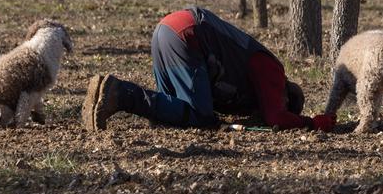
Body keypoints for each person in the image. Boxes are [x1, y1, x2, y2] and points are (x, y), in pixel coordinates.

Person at [82, 7, 335, 132]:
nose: (273, 103)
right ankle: (119, 93)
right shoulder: (272, 71)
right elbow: (275, 118)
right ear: (286, 94)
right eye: (281, 101)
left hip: (167, 30)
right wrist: (312, 123)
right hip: (189, 35)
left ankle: (105, 96)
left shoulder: (249, 92)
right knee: (202, 120)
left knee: (176, 113)